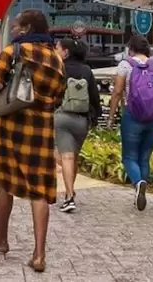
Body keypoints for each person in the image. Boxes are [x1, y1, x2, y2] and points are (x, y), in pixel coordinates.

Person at [0, 10, 66, 273]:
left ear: (27, 28)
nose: (14, 30)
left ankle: (1, 238)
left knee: (5, 182)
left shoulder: (15, 50)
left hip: (10, 128)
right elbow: (59, 99)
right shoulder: (57, 60)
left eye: (17, 26)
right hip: (40, 133)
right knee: (38, 191)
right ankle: (39, 255)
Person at [107, 35, 153, 211]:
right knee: (144, 157)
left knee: (129, 157)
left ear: (130, 49)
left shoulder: (125, 65)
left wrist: (111, 117)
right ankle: (140, 191)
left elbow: (118, 92)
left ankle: (138, 183)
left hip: (132, 116)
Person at [55, 37, 101, 213]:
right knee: (72, 157)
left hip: (62, 117)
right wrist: (95, 117)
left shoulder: (60, 68)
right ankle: (69, 192)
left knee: (65, 157)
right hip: (82, 120)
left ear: (66, 52)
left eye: (57, 48)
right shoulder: (87, 70)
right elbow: (94, 97)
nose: (55, 51)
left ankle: (69, 195)